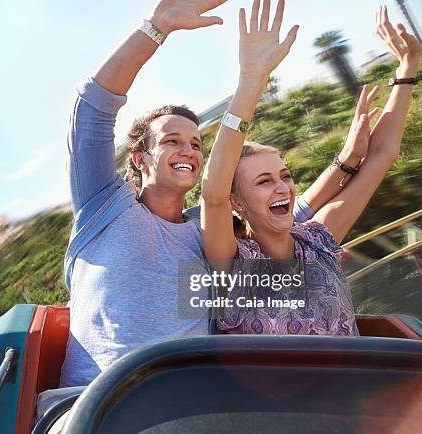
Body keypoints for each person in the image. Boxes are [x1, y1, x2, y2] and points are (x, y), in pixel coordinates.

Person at [60, 0, 377, 387]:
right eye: (172, 141)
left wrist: (346, 161)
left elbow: (286, 213)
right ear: (140, 158)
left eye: (196, 144)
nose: (189, 151)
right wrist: (156, 28)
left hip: (196, 404)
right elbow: (91, 111)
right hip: (98, 401)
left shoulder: (206, 232)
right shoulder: (105, 207)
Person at [201, 2, 422, 335]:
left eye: (285, 176)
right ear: (237, 202)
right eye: (263, 181)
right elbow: (213, 196)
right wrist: (252, 79)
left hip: (356, 383)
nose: (282, 187)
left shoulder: (317, 240)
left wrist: (407, 68)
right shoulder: (234, 266)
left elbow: (381, 157)